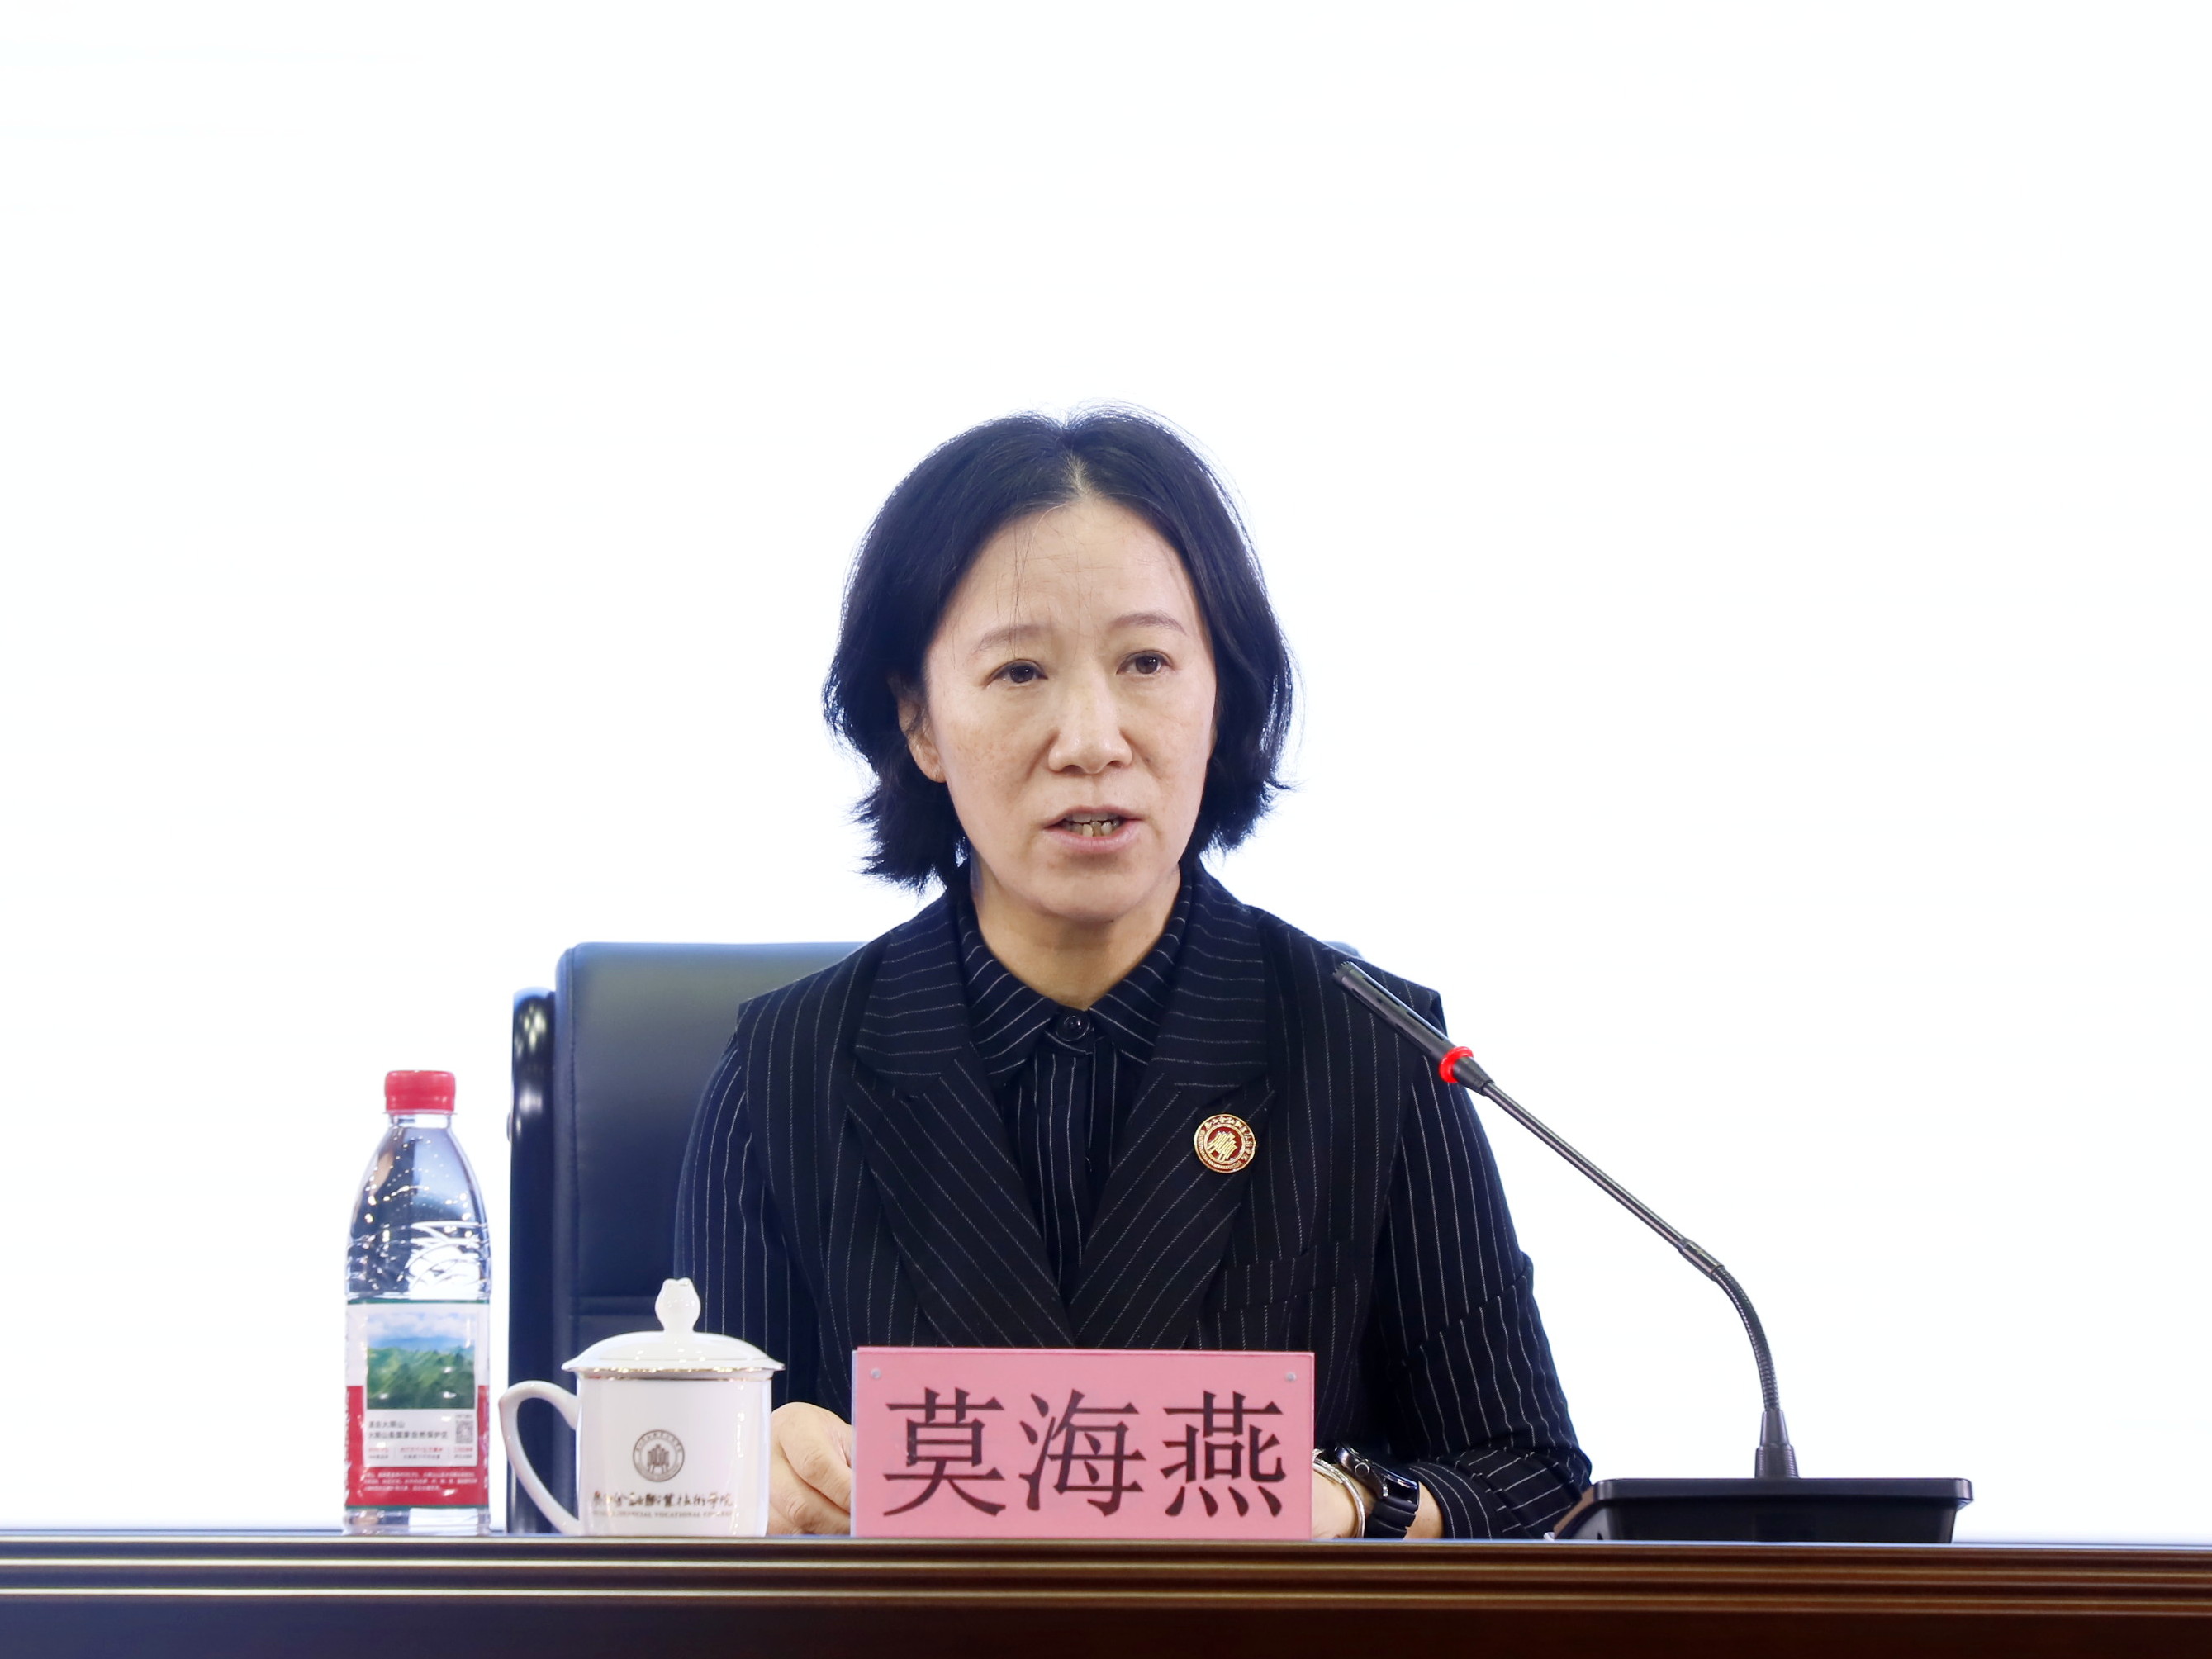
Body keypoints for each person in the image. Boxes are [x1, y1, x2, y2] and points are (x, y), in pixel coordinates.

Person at [674, 409, 1589, 1538]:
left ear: (1221, 694)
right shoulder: (786, 1073)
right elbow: (675, 1489)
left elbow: (1532, 1476)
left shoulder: (1373, 1051)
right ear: (918, 720)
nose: (1091, 738)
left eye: (1146, 662)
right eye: (1019, 670)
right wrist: (743, 1473)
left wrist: (1356, 1499)